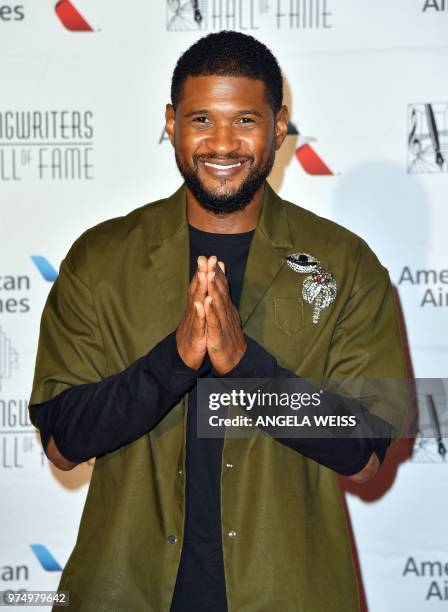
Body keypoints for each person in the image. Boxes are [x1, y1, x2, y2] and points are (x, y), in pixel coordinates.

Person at [29, 31, 408, 612]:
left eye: (246, 120)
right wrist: (173, 363)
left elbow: (366, 451)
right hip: (123, 590)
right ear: (171, 123)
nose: (223, 142)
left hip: (290, 592)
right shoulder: (102, 258)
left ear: (279, 127)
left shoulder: (343, 263)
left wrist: (247, 369)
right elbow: (62, 444)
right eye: (202, 118)